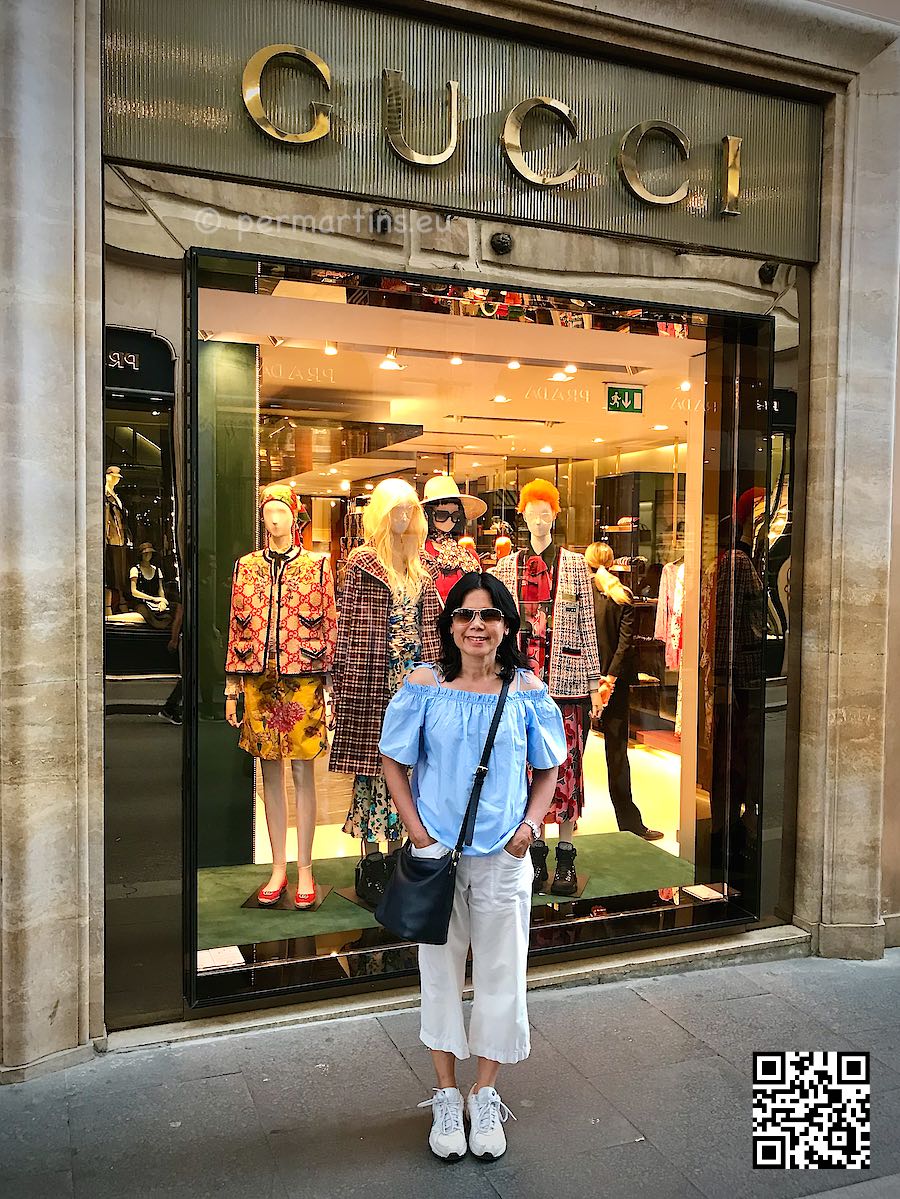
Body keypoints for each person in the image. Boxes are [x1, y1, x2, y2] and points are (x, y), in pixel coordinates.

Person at [379, 571, 566, 1163]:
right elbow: (392, 760)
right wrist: (418, 833)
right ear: (450, 624)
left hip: (502, 861)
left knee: (501, 976)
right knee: (438, 974)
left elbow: (548, 769)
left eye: (487, 615)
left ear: (507, 625)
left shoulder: (528, 690)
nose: (476, 625)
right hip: (439, 861)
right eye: (464, 614)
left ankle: (485, 1094)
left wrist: (528, 830)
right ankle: (444, 1094)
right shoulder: (424, 686)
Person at [583, 542, 663, 840]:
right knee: (617, 754)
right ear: (613, 561)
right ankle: (630, 824)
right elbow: (625, 644)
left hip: (583, 681)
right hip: (612, 683)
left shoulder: (582, 595)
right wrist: (610, 680)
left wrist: (596, 680)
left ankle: (569, 816)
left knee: (573, 751)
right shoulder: (622, 596)